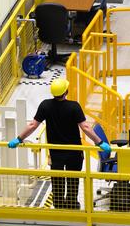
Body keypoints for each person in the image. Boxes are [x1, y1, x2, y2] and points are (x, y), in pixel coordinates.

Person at [8, 77, 111, 210]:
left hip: (55, 151)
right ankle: (72, 203)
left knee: (57, 179)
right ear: (66, 91)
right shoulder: (74, 106)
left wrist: (19, 139)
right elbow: (85, 127)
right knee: (73, 179)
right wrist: (100, 142)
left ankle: (58, 204)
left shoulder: (45, 105)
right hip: (74, 152)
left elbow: (33, 125)